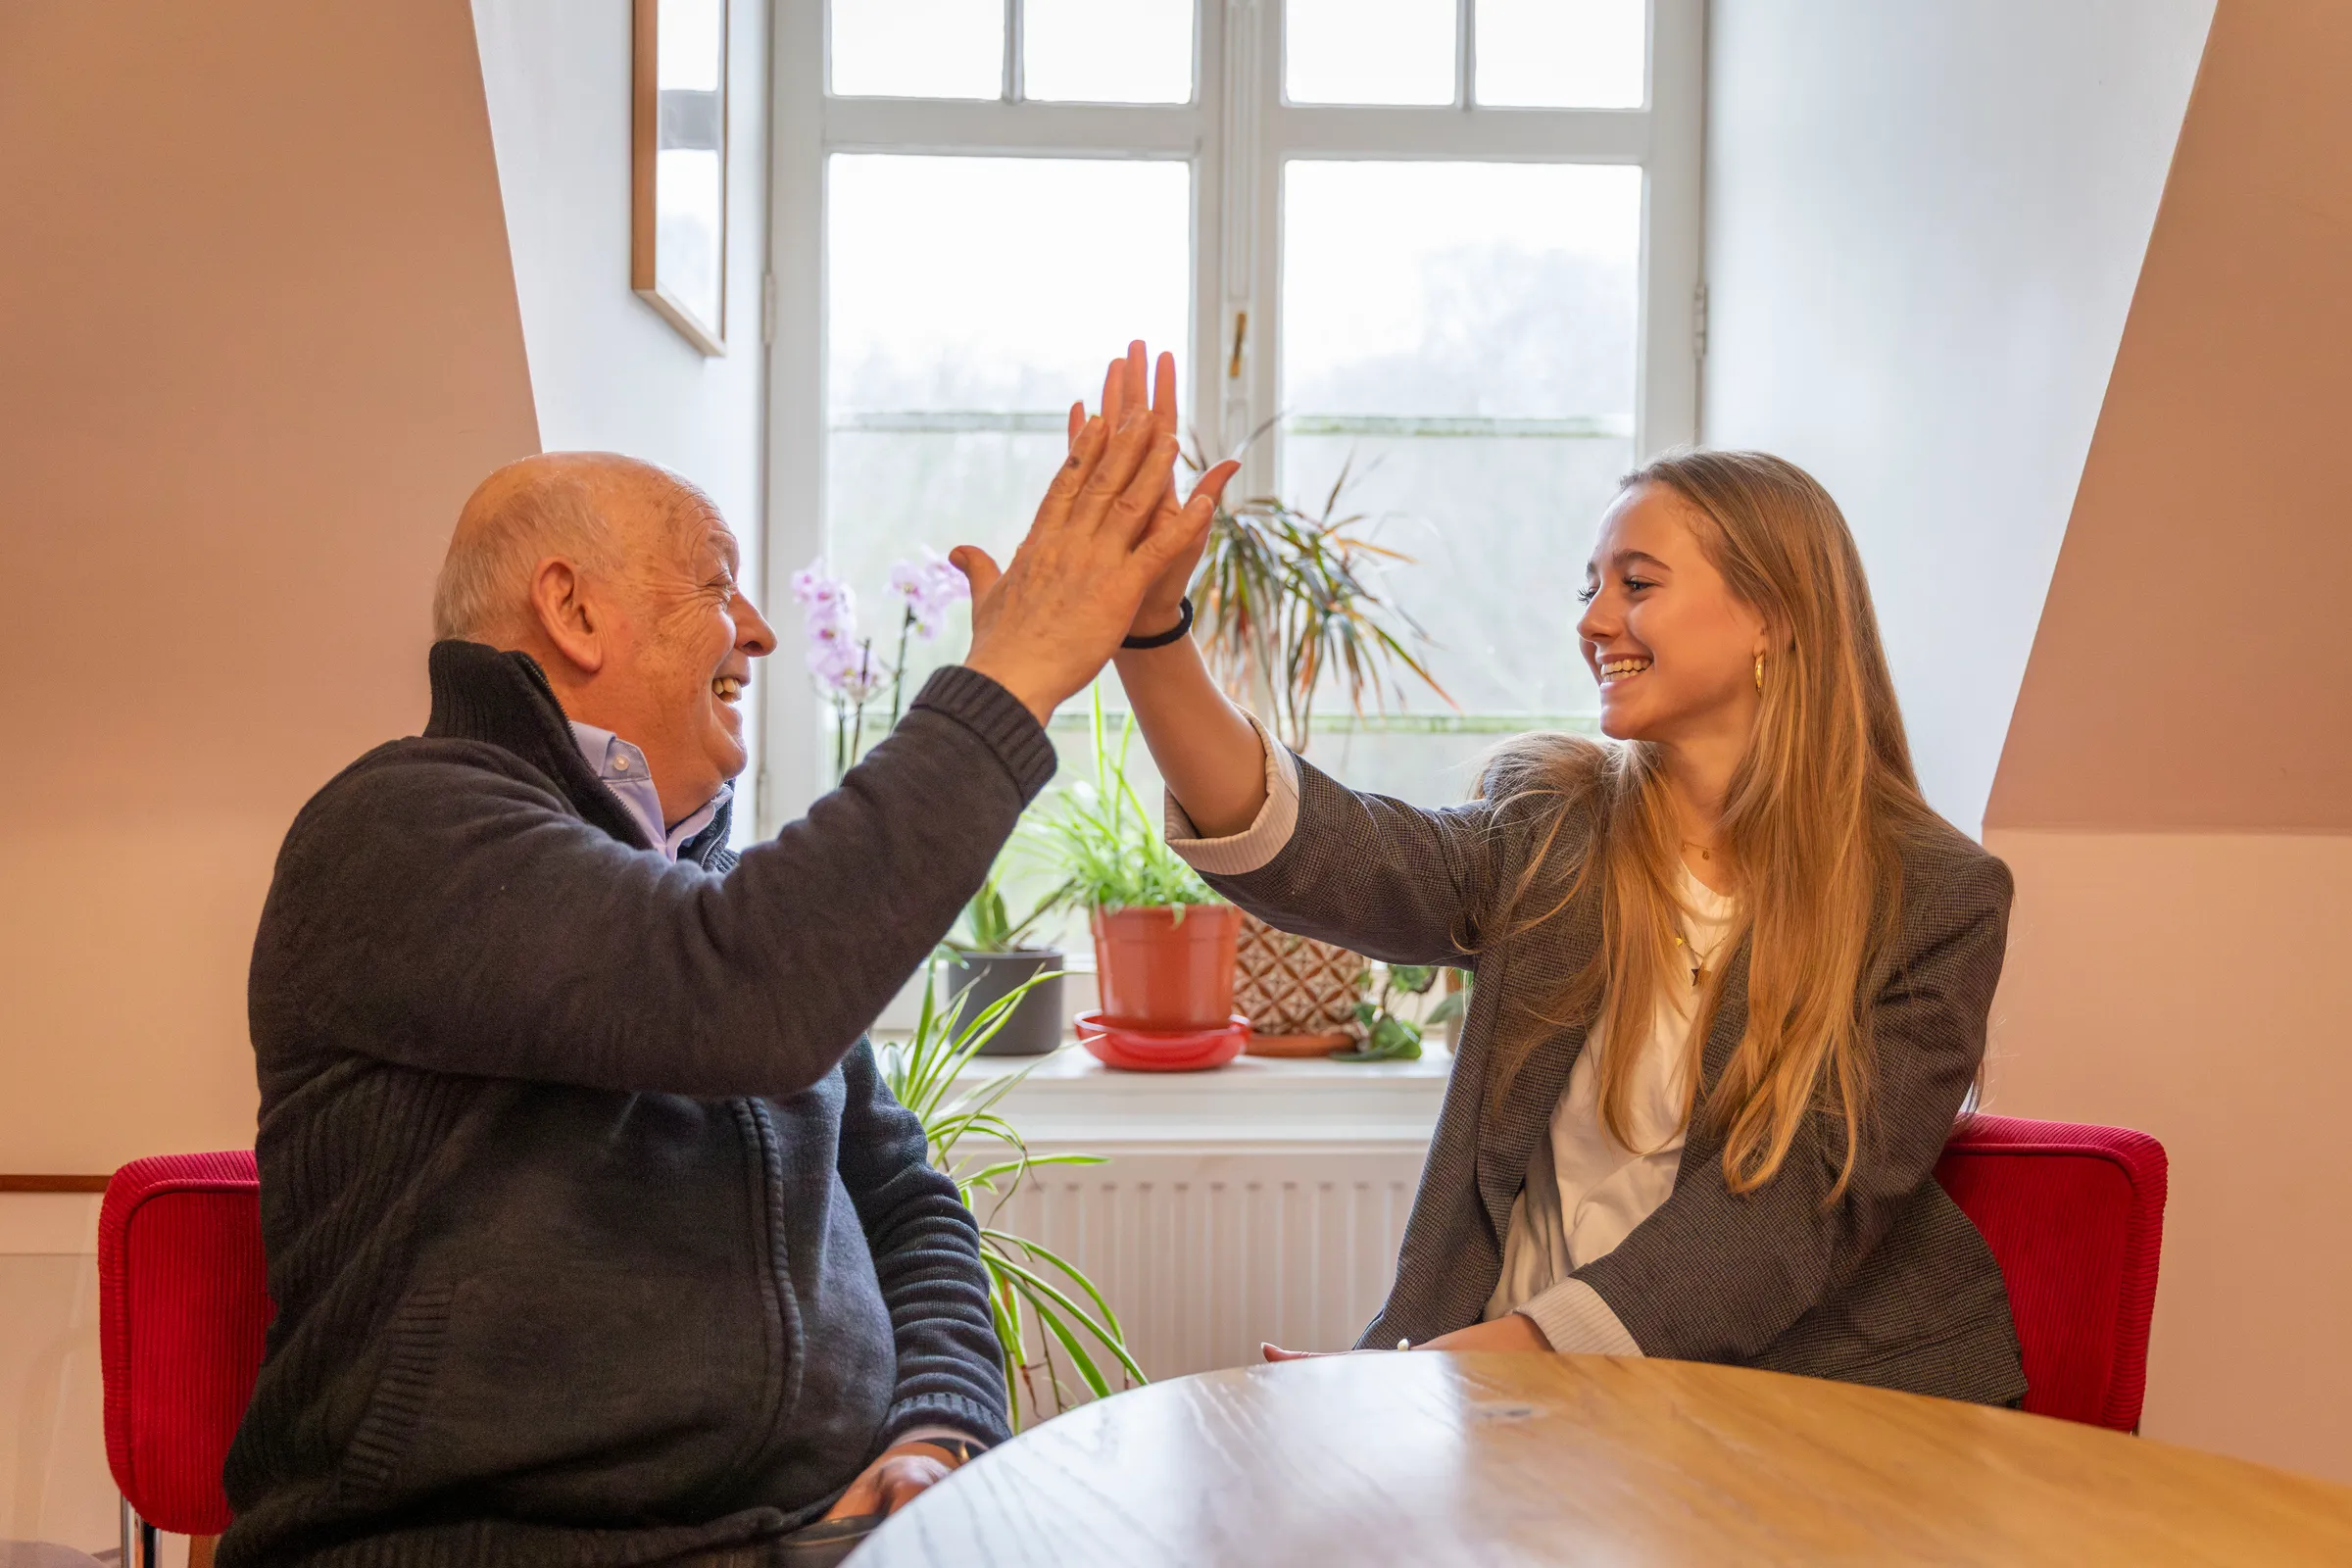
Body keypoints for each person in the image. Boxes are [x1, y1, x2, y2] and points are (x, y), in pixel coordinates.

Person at [221, 358, 1239, 1566]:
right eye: (716, 584)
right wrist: (1012, 671)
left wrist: (939, 1430)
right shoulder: (400, 830)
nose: (756, 631)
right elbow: (735, 994)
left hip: (808, 1537)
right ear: (574, 610)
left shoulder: (708, 885)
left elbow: (907, 1199)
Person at [1098, 376, 2026, 1404]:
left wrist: (1455, 1370)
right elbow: (1335, 852)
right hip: (1528, 1403)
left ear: (1772, 615)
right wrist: (1151, 632)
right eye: (1589, 585)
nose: (1593, 620)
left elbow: (1787, 1219)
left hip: (1818, 1404)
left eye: (1636, 583)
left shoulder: (1935, 900)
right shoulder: (1556, 825)